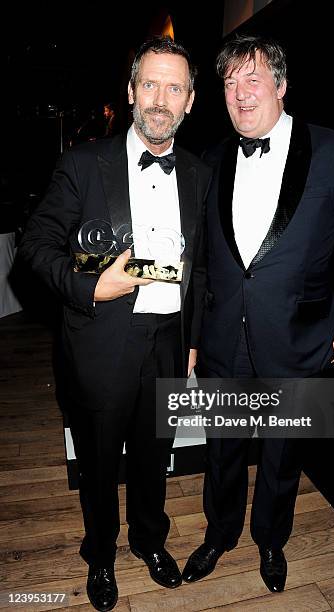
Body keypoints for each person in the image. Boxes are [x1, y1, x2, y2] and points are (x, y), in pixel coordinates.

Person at [182, 34, 334, 593]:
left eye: (253, 79)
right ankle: (220, 534)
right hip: (225, 338)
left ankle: (271, 539)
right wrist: (196, 334)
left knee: (281, 452)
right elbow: (202, 263)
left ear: (282, 86)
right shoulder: (213, 160)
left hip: (298, 337)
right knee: (222, 448)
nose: (241, 94)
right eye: (229, 82)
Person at [19, 36, 211, 611]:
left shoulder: (200, 175)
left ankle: (150, 540)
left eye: (173, 87)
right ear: (130, 92)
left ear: (191, 100)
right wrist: (88, 285)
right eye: (149, 84)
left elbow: (200, 269)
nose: (160, 99)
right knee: (100, 461)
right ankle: (100, 553)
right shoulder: (83, 164)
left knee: (155, 454)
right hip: (102, 338)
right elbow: (36, 245)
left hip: (170, 344)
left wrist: (195, 336)